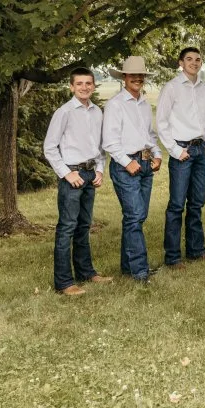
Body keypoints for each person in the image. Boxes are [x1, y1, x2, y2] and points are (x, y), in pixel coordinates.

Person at [43, 67, 112, 296]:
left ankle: (86, 272)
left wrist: (100, 170)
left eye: (88, 83)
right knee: (67, 228)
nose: (84, 87)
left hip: (90, 175)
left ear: (93, 85)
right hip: (72, 176)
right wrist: (66, 173)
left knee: (84, 226)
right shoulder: (64, 112)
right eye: (79, 84)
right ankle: (64, 282)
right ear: (71, 87)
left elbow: (101, 147)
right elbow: (50, 147)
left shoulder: (97, 112)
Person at [156, 47, 205, 269]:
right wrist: (175, 150)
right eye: (189, 59)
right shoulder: (172, 88)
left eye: (198, 59)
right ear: (181, 62)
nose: (194, 62)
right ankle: (172, 257)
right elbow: (161, 122)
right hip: (181, 151)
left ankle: (196, 250)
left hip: (201, 151)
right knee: (176, 205)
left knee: (196, 203)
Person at [103, 56, 162, 283]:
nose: (137, 79)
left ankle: (128, 267)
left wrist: (156, 154)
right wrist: (127, 162)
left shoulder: (144, 104)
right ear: (124, 78)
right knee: (135, 216)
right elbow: (109, 142)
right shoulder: (116, 105)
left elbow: (149, 135)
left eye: (141, 76)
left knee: (137, 217)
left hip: (145, 164)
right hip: (125, 166)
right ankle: (139, 270)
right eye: (133, 75)